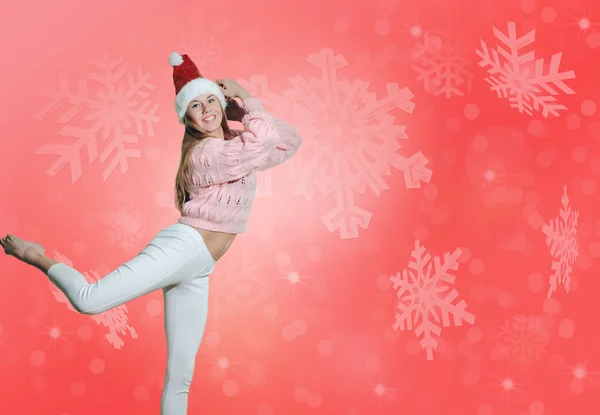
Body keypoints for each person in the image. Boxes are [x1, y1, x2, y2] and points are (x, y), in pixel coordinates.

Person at [0, 51, 302, 415]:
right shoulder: (206, 154)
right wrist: (248, 99)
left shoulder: (234, 143)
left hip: (200, 266)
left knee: (181, 376)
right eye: (195, 105)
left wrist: (238, 113)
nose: (206, 109)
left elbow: (289, 142)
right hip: (182, 248)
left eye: (211, 99)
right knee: (89, 300)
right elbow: (262, 143)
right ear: (185, 118)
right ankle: (35, 255)